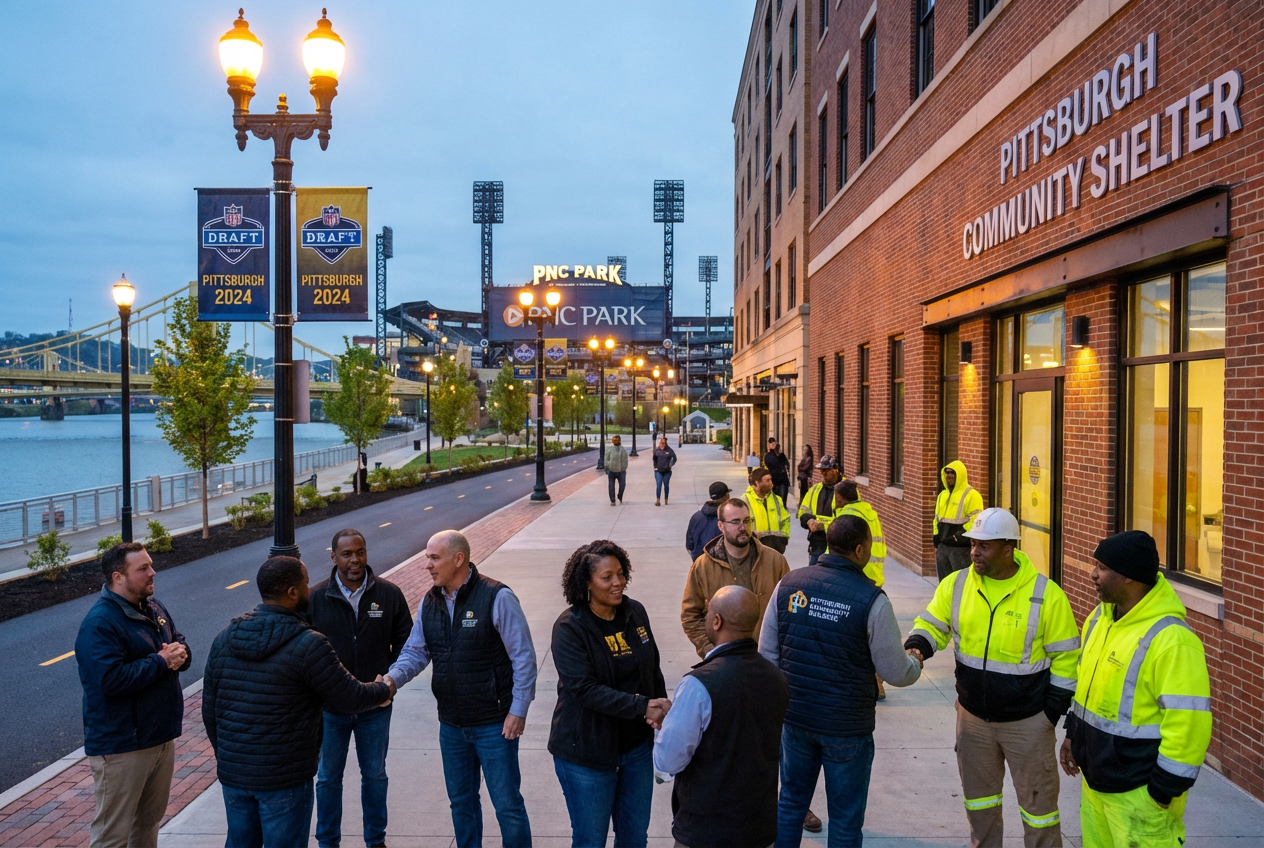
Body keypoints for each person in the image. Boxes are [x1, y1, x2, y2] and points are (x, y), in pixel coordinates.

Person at [904, 508, 1079, 848]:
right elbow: (932, 625)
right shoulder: (957, 585)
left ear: (1008, 547)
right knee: (980, 808)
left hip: (1027, 724)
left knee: (1039, 814)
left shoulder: (1045, 595)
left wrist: (1051, 714)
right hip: (973, 721)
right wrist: (916, 648)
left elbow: (1067, 658)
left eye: (984, 546)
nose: (974, 552)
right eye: (973, 544)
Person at [202, 557, 392, 848]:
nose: (308, 589)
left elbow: (209, 711)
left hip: (235, 777)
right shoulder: (309, 643)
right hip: (285, 779)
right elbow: (350, 697)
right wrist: (383, 688)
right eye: (304, 584)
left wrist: (230, 758)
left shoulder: (224, 638)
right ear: (292, 592)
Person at [760, 515, 923, 847]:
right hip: (846, 729)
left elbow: (768, 655)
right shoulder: (872, 600)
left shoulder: (789, 585)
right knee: (845, 819)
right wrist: (916, 661)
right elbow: (895, 672)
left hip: (797, 720)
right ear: (860, 549)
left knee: (790, 803)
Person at [384, 530, 536, 848]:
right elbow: (415, 652)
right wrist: (391, 680)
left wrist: (518, 710)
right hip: (451, 725)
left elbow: (523, 658)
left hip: (494, 724)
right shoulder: (431, 601)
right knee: (461, 804)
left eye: (433, 558)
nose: (427, 565)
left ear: (458, 559)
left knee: (507, 806)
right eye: (427, 557)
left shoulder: (497, 597)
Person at [1060, 531, 1212, 847]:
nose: (1092, 574)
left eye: (1101, 567)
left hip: (1140, 797)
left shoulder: (1172, 640)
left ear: (1129, 576)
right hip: (1096, 787)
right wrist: (1073, 734)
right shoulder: (1098, 621)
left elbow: (1188, 725)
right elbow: (1086, 688)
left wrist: (1163, 790)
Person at [549, 540, 670, 848]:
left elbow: (651, 668)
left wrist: (661, 711)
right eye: (607, 577)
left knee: (634, 838)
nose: (618, 583)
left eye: (620, 574)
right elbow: (585, 690)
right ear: (586, 583)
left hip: (635, 751)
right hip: (587, 754)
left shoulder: (635, 612)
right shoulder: (570, 628)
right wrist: (643, 706)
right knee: (590, 840)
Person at [654, 586, 789, 848]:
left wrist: (663, 726)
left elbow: (668, 760)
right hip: (758, 828)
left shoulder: (698, 685)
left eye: (707, 613)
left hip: (705, 831)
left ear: (717, 621)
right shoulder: (777, 678)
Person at [76, 541, 190, 848]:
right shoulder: (100, 624)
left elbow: (176, 641)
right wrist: (162, 661)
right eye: (143, 569)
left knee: (148, 825)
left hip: (159, 737)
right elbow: (109, 681)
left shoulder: (154, 607)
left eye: (150, 565)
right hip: (122, 746)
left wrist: (181, 654)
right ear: (118, 577)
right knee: (112, 835)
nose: (153, 572)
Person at [308, 529, 414, 848]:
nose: (355, 560)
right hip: (331, 709)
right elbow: (301, 651)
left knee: (375, 776)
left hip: (375, 706)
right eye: (347, 554)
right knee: (327, 778)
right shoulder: (316, 598)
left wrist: (390, 680)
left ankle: (375, 840)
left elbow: (407, 644)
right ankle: (328, 842)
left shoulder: (389, 594)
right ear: (333, 557)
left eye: (360, 552)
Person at [682, 498, 789, 660]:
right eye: (735, 522)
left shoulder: (776, 561)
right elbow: (690, 615)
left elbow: (789, 610)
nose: (743, 527)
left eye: (747, 521)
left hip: (767, 659)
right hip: (724, 662)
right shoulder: (702, 566)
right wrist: (711, 651)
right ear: (721, 526)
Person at [833, 479, 888, 700]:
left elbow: (839, 547)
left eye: (836, 498)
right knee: (870, 634)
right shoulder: (869, 511)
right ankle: (878, 681)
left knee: (857, 636)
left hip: (856, 577)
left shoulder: (848, 515)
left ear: (841, 498)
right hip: (874, 576)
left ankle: (875, 682)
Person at [933, 460, 983, 580]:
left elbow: (976, 520)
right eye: (947, 472)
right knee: (944, 584)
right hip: (943, 548)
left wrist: (959, 536)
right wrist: (935, 536)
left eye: (953, 473)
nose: (949, 475)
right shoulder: (942, 495)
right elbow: (936, 519)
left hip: (960, 549)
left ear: (960, 475)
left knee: (962, 582)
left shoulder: (971, 495)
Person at [798, 454, 842, 566]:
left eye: (826, 470)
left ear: (835, 470)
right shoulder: (815, 490)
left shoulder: (845, 490)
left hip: (837, 545)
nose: (823, 473)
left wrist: (822, 526)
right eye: (821, 470)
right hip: (817, 543)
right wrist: (809, 521)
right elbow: (803, 512)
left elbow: (848, 520)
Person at [744, 466, 791, 554]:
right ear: (757, 483)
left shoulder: (777, 499)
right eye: (767, 480)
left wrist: (784, 539)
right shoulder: (744, 501)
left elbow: (786, 520)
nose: (771, 483)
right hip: (753, 551)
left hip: (776, 550)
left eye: (771, 479)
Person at [686, 481, 731, 561]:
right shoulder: (728, 518)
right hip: (722, 567)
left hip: (700, 565)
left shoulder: (696, 517)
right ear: (727, 496)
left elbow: (689, 545)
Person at [763, 436, 792, 504]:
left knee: (782, 500)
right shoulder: (769, 456)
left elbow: (786, 464)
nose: (773, 445)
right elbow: (772, 465)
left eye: (774, 444)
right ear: (769, 446)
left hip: (782, 481)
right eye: (771, 444)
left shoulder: (781, 455)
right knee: (777, 500)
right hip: (775, 481)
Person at [652, 435, 677, 506]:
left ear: (666, 443)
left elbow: (674, 458)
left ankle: (666, 499)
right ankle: (658, 500)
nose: (662, 445)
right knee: (659, 484)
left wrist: (671, 464)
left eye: (663, 443)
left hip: (667, 471)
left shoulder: (669, 450)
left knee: (666, 485)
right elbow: (654, 459)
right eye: (661, 443)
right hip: (658, 471)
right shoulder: (657, 450)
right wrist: (655, 467)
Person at [606, 434, 628, 505]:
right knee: (611, 486)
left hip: (621, 471)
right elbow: (606, 459)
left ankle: (620, 495)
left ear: (619, 441)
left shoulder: (623, 450)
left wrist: (624, 468)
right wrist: (607, 467)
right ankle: (613, 500)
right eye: (614, 440)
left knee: (623, 485)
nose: (615, 441)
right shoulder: (609, 449)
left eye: (616, 440)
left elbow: (625, 459)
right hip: (611, 471)